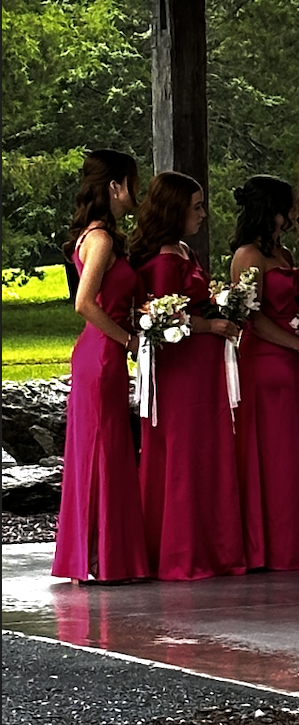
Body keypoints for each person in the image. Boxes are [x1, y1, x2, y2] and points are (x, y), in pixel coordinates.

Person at [130, 172, 247, 579]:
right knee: (183, 455)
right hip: (181, 371)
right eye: (196, 206)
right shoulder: (163, 259)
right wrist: (209, 326)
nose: (203, 213)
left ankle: (211, 546)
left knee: (205, 455)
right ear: (175, 209)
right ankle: (182, 552)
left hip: (202, 369)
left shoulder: (181, 249)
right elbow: (165, 318)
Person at [51, 150, 150, 584]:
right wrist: (128, 338)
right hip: (102, 356)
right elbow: (84, 303)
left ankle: (99, 557)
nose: (136, 192)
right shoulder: (102, 239)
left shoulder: (100, 235)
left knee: (104, 450)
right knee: (102, 451)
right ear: (115, 186)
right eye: (132, 183)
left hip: (102, 354)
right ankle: (99, 559)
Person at [230, 176, 299, 570]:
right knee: (271, 454)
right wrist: (296, 343)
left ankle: (294, 544)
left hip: (291, 356)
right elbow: (252, 317)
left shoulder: (282, 253)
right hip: (265, 360)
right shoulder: (248, 255)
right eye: (286, 207)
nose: (292, 214)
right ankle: (268, 547)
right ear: (271, 209)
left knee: (292, 456)